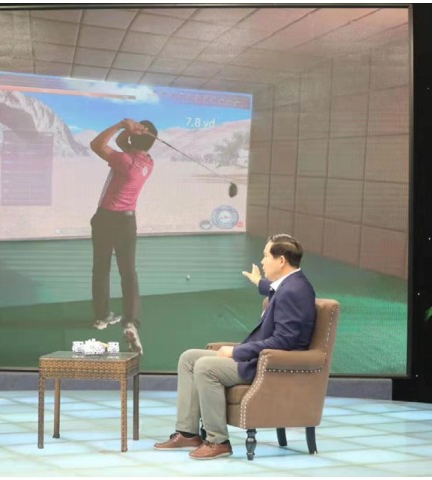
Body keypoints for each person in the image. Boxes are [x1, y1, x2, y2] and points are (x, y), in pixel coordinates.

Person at [154, 234, 316, 460]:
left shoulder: (294, 291)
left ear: (281, 260)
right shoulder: (290, 285)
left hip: (270, 366)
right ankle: (188, 433)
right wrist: (258, 282)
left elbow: (283, 341)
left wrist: (236, 351)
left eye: (265, 256)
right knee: (189, 358)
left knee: (205, 366)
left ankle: (218, 441)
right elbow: (274, 290)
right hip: (259, 358)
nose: (262, 261)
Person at [89, 119, 158, 355]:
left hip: (105, 219)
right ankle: (131, 323)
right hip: (127, 223)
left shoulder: (125, 161)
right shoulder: (147, 162)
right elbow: (123, 144)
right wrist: (132, 132)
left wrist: (121, 124)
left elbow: (96, 144)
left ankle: (101, 317)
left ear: (133, 138)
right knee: (128, 273)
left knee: (101, 269)